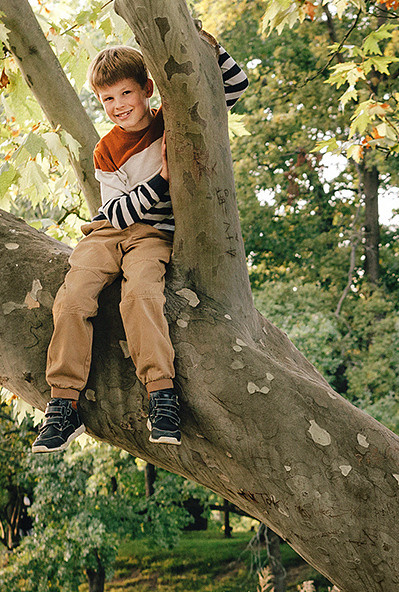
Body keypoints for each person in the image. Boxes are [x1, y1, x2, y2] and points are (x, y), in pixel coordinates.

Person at [31, 29, 248, 453]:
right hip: (108, 233)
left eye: (125, 93)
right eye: (107, 99)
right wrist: (162, 178)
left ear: (147, 89)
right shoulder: (106, 150)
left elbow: (235, 89)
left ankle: (162, 395)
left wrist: (211, 47)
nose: (118, 106)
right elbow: (118, 214)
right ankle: (63, 404)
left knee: (141, 297)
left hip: (153, 236)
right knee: (72, 299)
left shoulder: (174, 120)